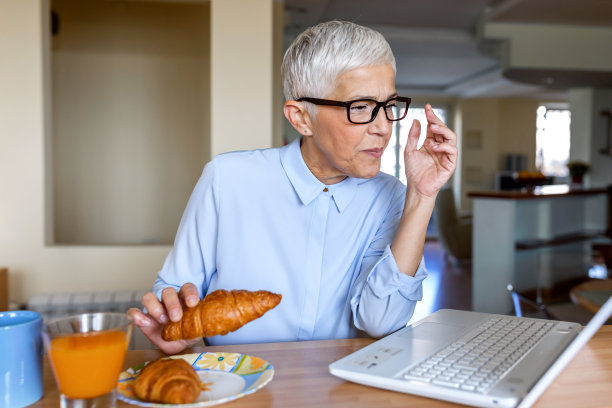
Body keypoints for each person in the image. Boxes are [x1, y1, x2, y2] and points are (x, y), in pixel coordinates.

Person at [128, 20, 457, 354]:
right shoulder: (227, 180)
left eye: (388, 105)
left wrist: (422, 195)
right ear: (301, 118)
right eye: (361, 107)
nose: (384, 127)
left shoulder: (390, 197)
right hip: (237, 386)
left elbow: (379, 321)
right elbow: (176, 290)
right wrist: (172, 320)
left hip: (342, 391)